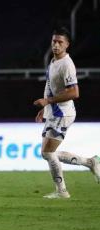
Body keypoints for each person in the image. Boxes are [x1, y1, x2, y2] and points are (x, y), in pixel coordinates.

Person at [33, 27, 100, 199]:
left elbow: (74, 93)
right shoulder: (54, 61)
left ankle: (62, 191)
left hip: (62, 113)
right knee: (47, 153)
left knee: (47, 153)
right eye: (54, 41)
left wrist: (48, 102)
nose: (55, 45)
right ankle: (90, 162)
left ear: (67, 45)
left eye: (60, 42)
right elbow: (51, 87)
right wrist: (45, 108)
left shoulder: (67, 65)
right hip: (54, 112)